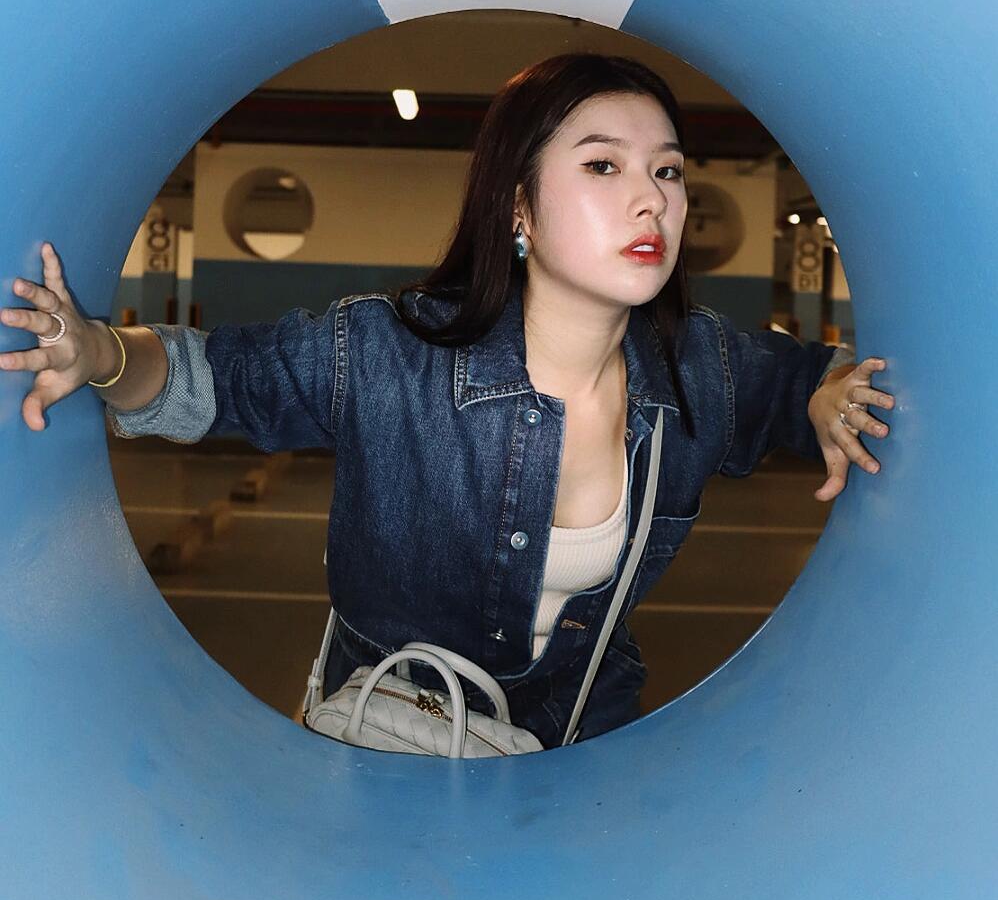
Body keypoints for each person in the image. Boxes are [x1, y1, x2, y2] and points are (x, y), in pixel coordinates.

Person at [0, 53, 894, 747]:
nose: (649, 201)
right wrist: (101, 351)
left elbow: (806, 380)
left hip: (584, 750)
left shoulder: (703, 367)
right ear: (519, 209)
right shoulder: (388, 352)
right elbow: (211, 377)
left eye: (666, 171)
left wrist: (827, 392)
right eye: (602, 165)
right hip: (390, 739)